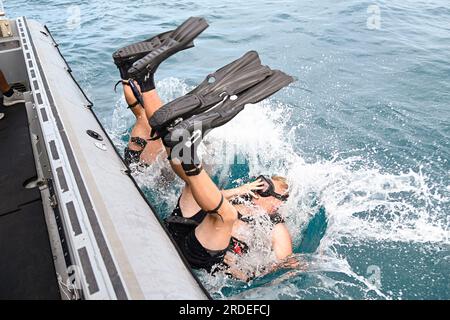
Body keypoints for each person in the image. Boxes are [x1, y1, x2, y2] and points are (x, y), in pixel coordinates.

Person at [113, 18, 296, 280]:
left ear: (277, 204)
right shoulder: (244, 198)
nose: (259, 188)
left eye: (266, 189)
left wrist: (248, 271)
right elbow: (209, 195)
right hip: (182, 228)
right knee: (195, 183)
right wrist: (241, 190)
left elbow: (283, 264)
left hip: (198, 257)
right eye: (261, 181)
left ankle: (148, 91)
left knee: (224, 214)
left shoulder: (275, 227)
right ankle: (155, 96)